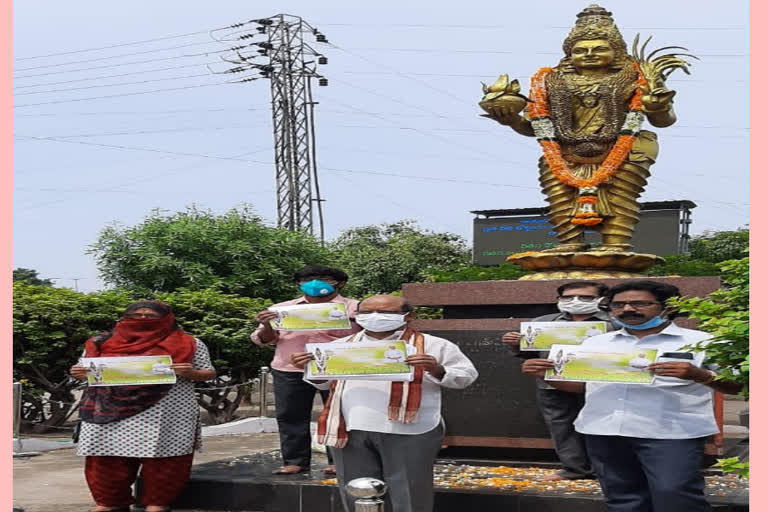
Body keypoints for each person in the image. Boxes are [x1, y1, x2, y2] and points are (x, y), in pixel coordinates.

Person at [521, 280, 742, 512]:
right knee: (623, 498)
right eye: (618, 305)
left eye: (639, 303)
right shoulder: (595, 342)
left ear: (668, 307)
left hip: (671, 434)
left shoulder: (701, 341)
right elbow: (584, 387)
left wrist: (700, 375)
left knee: (675, 495)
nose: (627, 309)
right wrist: (544, 375)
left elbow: (737, 386)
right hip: (604, 431)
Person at [483, 5, 683, 252]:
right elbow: (535, 127)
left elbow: (665, 120)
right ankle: (569, 244)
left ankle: (614, 246)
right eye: (580, 50)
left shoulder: (636, 78)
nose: (589, 54)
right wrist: (510, 119)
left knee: (619, 198)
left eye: (599, 48)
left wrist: (657, 106)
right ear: (569, 54)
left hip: (626, 149)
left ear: (617, 51)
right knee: (560, 199)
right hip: (564, 152)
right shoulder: (548, 82)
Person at [290, 295, 478, 512]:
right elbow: (324, 385)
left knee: (409, 491)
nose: (375, 317)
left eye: (386, 313)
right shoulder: (339, 347)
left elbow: (466, 376)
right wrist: (309, 368)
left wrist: (436, 369)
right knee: (356, 489)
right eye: (367, 313)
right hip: (350, 426)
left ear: (409, 316)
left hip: (410, 428)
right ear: (357, 316)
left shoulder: (434, 345)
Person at [70, 301, 216, 512]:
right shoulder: (100, 342)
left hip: (167, 412)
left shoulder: (189, 343)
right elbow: (85, 368)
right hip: (108, 411)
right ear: (124, 317)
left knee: (165, 459)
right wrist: (79, 372)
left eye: (150, 316)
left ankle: (157, 503)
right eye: (137, 315)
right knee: (106, 458)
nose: (143, 319)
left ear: (167, 318)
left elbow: (209, 372)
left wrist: (191, 373)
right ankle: (110, 502)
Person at [250, 265, 360, 475]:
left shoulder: (355, 308)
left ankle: (338, 461)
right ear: (299, 284)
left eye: (324, 278)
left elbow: (367, 336)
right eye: (307, 279)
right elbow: (263, 340)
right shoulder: (281, 309)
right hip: (289, 368)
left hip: (338, 369)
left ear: (340, 283)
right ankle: (295, 461)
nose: (314, 283)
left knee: (339, 415)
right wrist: (266, 325)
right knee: (290, 415)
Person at [502, 280, 613, 480]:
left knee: (603, 425)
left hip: (602, 383)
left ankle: (605, 470)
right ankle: (574, 468)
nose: (575, 301)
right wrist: (516, 345)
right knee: (561, 425)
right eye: (568, 297)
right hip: (552, 382)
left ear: (601, 300)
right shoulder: (542, 323)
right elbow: (529, 355)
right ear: (558, 300)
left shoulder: (614, 323)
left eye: (585, 297)